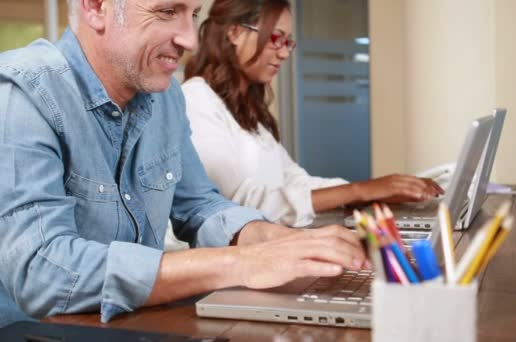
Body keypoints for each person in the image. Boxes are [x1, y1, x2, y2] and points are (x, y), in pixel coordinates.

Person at [0, 0, 366, 327]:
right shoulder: (22, 94)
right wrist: (242, 263)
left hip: (132, 326)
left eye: (193, 15)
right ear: (96, 7)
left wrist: (279, 240)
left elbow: (199, 204)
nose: (190, 40)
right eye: (167, 12)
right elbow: (41, 273)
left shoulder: (165, 96)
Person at [182, 0, 444, 228]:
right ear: (235, 32)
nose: (284, 53)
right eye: (275, 38)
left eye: (287, 42)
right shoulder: (196, 98)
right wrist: (360, 191)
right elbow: (233, 203)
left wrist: (376, 192)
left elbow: (296, 181)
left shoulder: (248, 109)